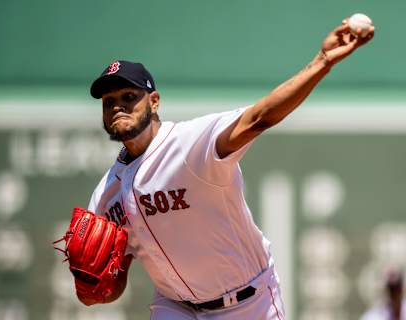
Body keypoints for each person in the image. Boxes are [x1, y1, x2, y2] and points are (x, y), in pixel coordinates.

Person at [84, 19, 374, 319]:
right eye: (109, 101)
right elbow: (106, 289)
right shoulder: (106, 194)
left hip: (247, 303)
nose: (118, 106)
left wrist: (322, 61)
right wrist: (92, 286)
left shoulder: (188, 144)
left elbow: (258, 118)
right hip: (174, 306)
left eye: (129, 97)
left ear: (154, 102)